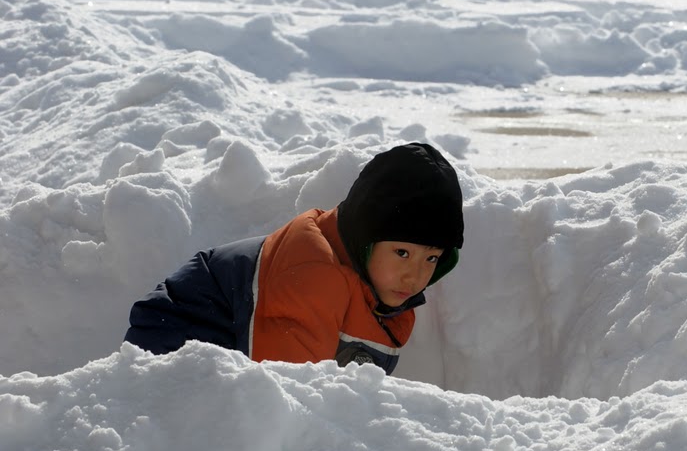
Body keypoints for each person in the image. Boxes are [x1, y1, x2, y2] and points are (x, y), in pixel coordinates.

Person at [124, 140, 464, 375]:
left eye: (432, 258)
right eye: (402, 253)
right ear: (365, 239)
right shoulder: (314, 278)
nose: (415, 275)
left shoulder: (375, 287)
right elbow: (290, 396)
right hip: (172, 357)